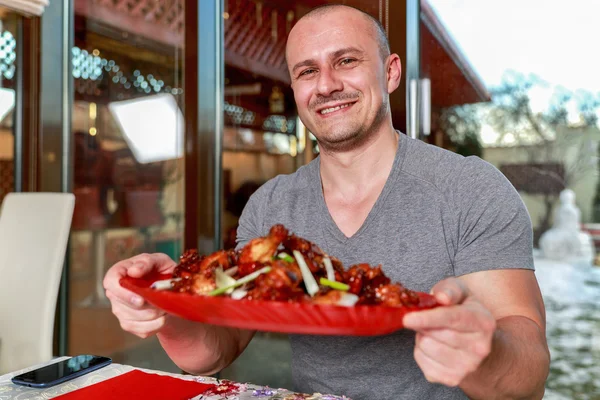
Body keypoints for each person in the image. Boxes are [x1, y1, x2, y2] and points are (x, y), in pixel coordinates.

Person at [103, 4, 550, 399]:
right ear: (296, 89)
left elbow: (528, 378)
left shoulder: (470, 188)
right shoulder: (271, 204)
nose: (327, 85)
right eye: (307, 71)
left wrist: (484, 354)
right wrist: (169, 305)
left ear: (390, 72)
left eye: (347, 61)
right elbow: (214, 351)